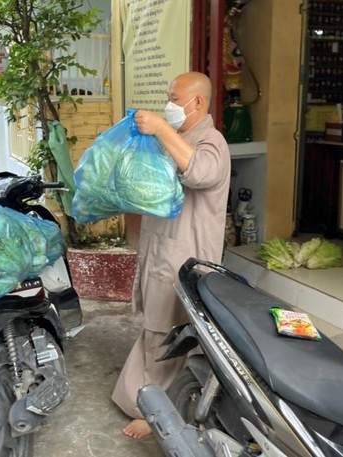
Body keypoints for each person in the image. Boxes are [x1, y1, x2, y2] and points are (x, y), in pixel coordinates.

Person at [111, 71, 231, 439]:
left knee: (167, 337)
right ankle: (140, 398)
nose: (169, 104)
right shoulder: (180, 138)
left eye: (174, 98)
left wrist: (162, 129)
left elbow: (200, 172)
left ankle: (156, 413)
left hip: (184, 259)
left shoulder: (212, 142)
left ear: (197, 103)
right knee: (156, 332)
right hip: (162, 251)